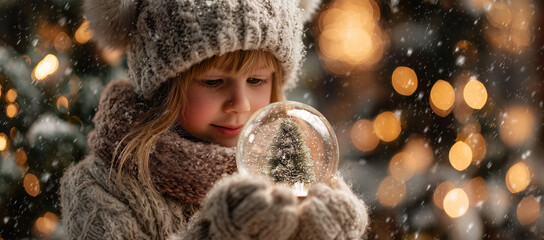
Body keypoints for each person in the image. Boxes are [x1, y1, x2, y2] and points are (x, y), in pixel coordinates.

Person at [60, 0, 369, 239]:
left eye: (257, 80)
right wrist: (223, 230)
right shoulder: (99, 188)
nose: (240, 104)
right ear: (165, 87)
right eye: (212, 82)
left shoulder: (289, 170)